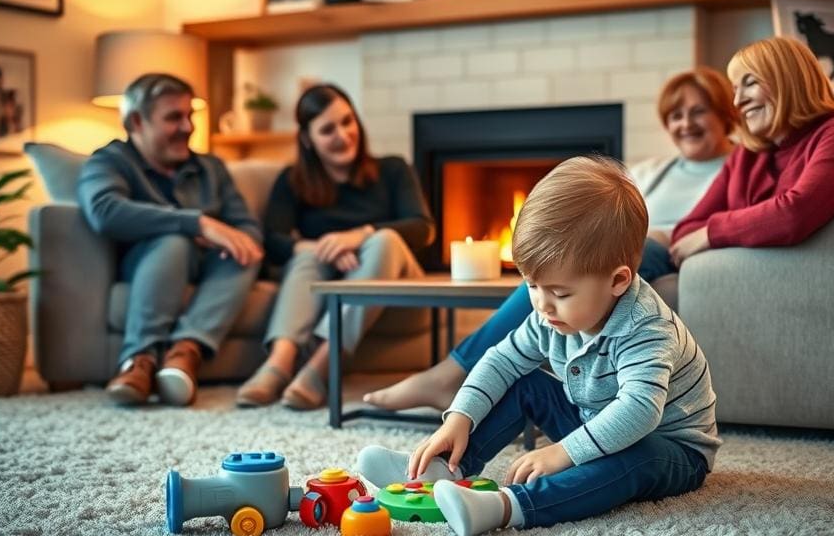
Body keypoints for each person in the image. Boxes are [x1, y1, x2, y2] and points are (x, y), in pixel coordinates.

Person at [357, 155, 719, 536]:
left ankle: (509, 507)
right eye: (531, 286)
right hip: (592, 419)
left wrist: (562, 453)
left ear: (617, 281)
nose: (542, 305)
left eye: (560, 292)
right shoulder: (551, 316)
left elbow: (639, 411)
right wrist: (460, 416)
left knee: (634, 460)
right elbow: (500, 360)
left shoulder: (646, 327)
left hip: (670, 448)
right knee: (524, 382)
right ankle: (446, 468)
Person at [365, 67, 738, 412]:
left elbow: (735, 221)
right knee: (550, 274)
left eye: (698, 111)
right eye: (676, 115)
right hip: (607, 245)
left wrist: (672, 234)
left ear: (724, 113)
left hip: (667, 251)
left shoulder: (737, 167)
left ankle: (451, 373)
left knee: (618, 252)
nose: (685, 123)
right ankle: (462, 373)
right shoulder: (652, 170)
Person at [235, 83, 435, 409]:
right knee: (306, 257)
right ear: (307, 139)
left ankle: (321, 366)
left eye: (347, 121)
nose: (342, 135)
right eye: (327, 129)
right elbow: (272, 242)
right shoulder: (293, 181)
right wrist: (325, 247)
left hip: (398, 285)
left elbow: (423, 228)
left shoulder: (393, 169)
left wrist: (359, 236)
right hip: (333, 279)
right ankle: (279, 362)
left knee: (384, 240)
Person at [78, 73, 263, 407]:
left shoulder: (210, 168)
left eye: (189, 115)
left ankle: (185, 353)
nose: (188, 126)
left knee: (245, 251)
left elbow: (246, 227)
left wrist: (233, 239)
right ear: (136, 121)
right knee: (172, 241)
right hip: (150, 265)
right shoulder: (109, 161)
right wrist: (196, 224)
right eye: (173, 117)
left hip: (212, 270)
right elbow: (104, 210)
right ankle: (139, 361)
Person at [667, 35, 834, 266]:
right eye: (735, 89)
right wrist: (754, 226)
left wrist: (712, 233)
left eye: (750, 83)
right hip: (738, 278)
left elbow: (794, 215)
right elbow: (685, 231)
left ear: (788, 81)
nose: (737, 101)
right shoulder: (747, 153)